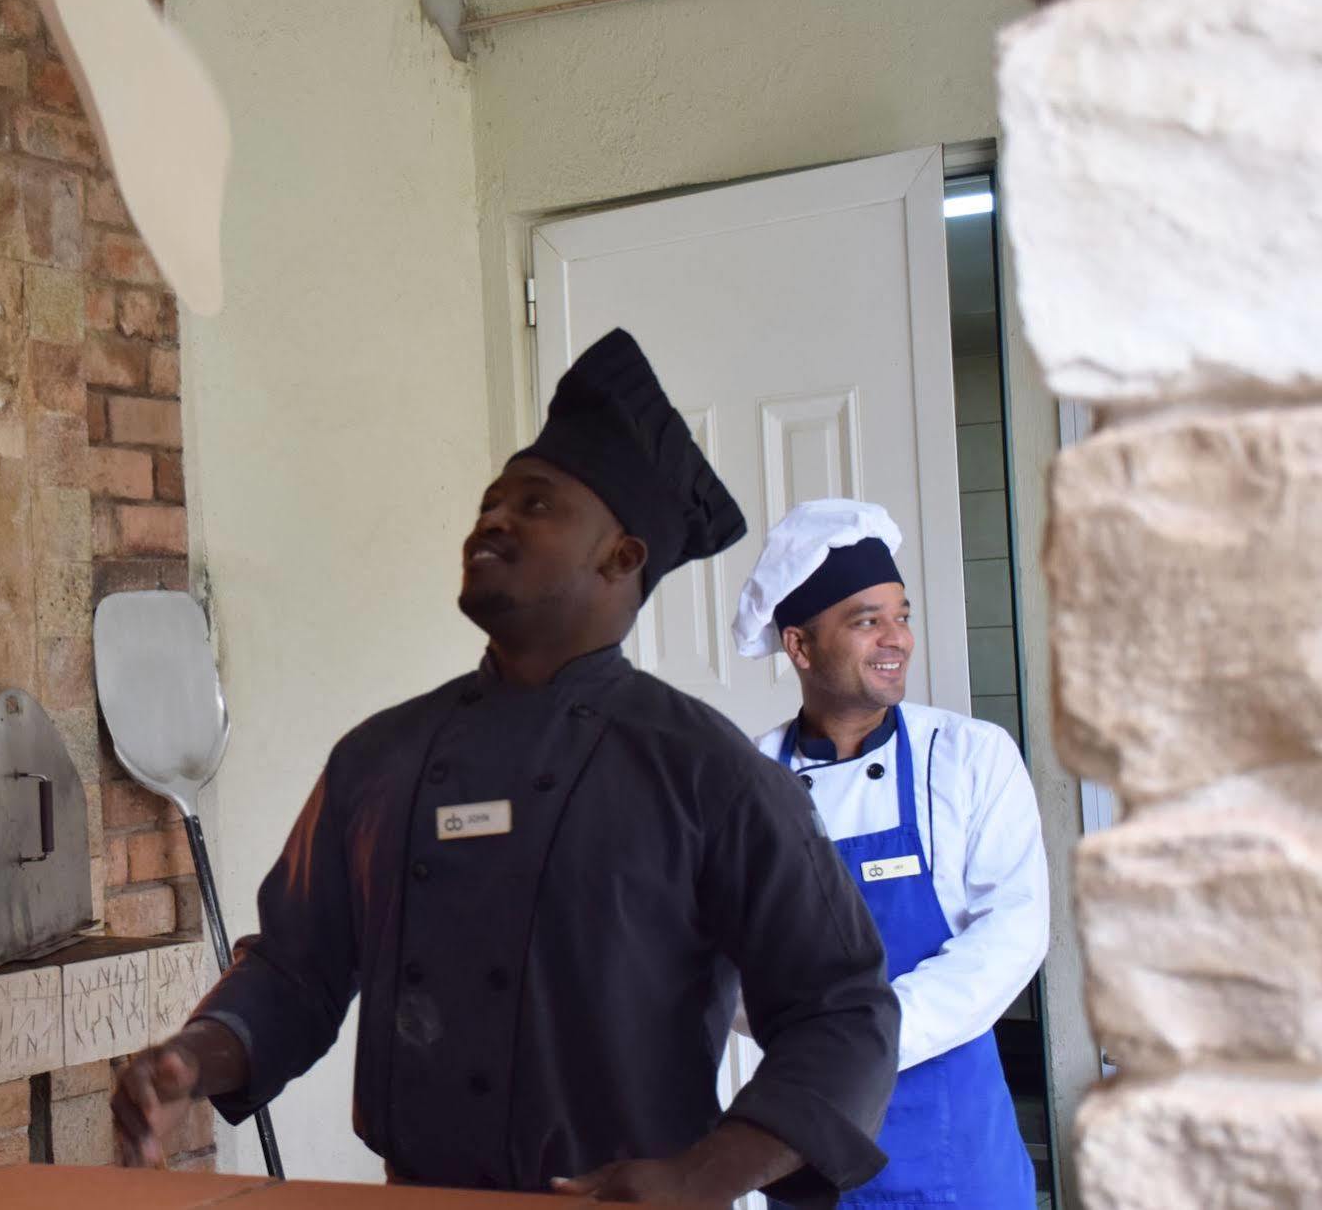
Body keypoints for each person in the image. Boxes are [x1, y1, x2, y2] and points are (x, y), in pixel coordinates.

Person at [112, 330, 899, 1207]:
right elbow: (298, 968)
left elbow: (842, 1012)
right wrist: (194, 1057)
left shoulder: (705, 771)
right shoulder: (380, 758)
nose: (492, 519)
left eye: (536, 505)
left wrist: (701, 1176)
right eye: (491, 502)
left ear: (621, 555)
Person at [730, 498, 1048, 1209]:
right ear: (800, 646)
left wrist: (866, 1036)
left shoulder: (967, 755)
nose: (896, 639)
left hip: (954, 1138)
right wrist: (814, 1042)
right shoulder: (747, 779)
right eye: (866, 619)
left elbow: (1012, 932)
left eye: (900, 615)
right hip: (806, 1132)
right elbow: (719, 952)